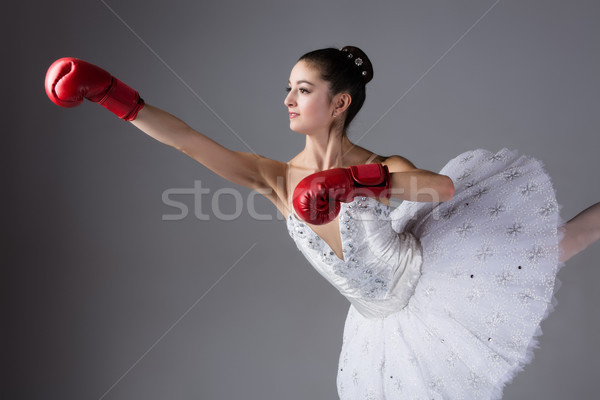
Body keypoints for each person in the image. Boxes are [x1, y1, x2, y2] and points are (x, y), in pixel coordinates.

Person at [45, 46, 600, 399]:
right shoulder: (275, 180)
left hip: (430, 282)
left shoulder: (380, 164)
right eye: (288, 89)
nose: (288, 99)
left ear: (339, 103)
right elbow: (190, 141)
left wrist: (356, 183)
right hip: (381, 324)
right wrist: (112, 96)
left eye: (303, 90)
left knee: (557, 245)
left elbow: (440, 188)